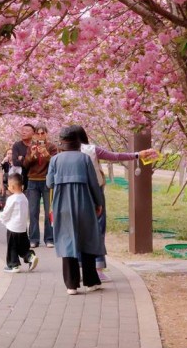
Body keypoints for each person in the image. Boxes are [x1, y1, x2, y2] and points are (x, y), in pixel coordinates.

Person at [76, 125, 141, 277]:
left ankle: (79, 267)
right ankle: (97, 269)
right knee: (98, 229)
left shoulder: (64, 153)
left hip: (75, 194)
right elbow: (115, 156)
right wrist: (137, 155)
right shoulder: (92, 150)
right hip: (95, 192)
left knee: (78, 230)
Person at [47, 125, 105, 295]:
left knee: (66, 240)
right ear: (77, 142)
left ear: (62, 142)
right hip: (84, 203)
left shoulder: (55, 160)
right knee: (87, 239)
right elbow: (94, 184)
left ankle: (71, 285)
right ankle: (91, 281)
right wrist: (98, 203)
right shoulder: (85, 159)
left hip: (62, 204)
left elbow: (49, 183)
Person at [0, 173, 39, 273]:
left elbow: (6, 213)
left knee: (12, 247)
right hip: (22, 228)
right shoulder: (24, 198)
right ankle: (30, 257)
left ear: (12, 186)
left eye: (8, 185)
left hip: (13, 228)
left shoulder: (12, 199)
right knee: (23, 247)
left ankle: (13, 265)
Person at [25, 125, 57, 249]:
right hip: (32, 181)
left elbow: (55, 162)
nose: (40, 136)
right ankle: (33, 239)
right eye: (37, 133)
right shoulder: (30, 147)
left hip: (47, 182)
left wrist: (46, 154)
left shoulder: (52, 147)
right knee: (33, 211)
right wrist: (32, 155)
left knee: (49, 210)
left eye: (42, 133)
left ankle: (49, 239)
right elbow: (25, 165)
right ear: (34, 135)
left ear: (46, 134)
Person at [9, 122, 35, 189]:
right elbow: (15, 162)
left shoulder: (35, 146)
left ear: (33, 134)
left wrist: (22, 158)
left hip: (33, 178)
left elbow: (36, 163)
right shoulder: (17, 145)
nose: (23, 132)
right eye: (22, 130)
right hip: (20, 178)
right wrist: (29, 158)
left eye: (27, 131)